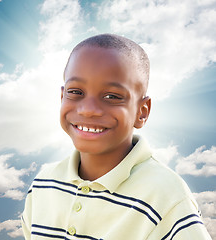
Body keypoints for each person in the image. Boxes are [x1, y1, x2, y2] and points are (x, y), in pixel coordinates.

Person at [21, 34, 212, 240]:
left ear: (142, 111)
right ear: (62, 97)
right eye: (76, 92)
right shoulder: (43, 184)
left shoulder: (167, 196)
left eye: (112, 96)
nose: (88, 110)